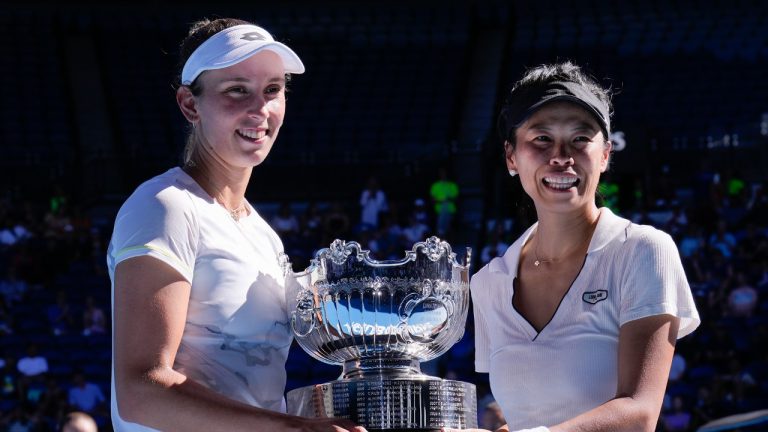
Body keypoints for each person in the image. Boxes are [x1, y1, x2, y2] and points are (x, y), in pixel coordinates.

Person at [107, 18, 366, 432]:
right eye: (236, 90)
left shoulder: (264, 235)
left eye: (272, 90)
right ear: (190, 104)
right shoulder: (164, 207)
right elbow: (140, 389)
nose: (259, 109)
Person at [445, 62, 700, 432]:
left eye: (580, 139)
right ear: (511, 156)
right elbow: (523, 419)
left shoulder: (644, 250)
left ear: (606, 154)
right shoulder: (488, 282)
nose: (561, 156)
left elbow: (640, 414)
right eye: (541, 139)